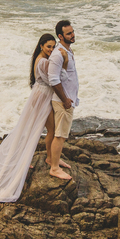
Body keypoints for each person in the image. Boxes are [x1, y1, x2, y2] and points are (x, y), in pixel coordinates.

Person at [0, 34, 59, 204]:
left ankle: (24, 159)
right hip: (42, 97)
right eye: (48, 47)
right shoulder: (44, 61)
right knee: (50, 130)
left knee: (28, 130)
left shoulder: (38, 59)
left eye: (53, 47)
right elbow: (53, 81)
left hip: (38, 95)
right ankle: (50, 160)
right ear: (41, 46)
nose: (51, 50)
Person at [45, 19, 78, 180]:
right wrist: (65, 99)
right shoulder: (58, 54)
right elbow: (53, 80)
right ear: (60, 36)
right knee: (60, 135)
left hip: (67, 98)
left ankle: (52, 159)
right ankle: (55, 168)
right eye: (69, 33)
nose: (73, 35)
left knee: (58, 133)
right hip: (62, 101)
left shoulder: (67, 51)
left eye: (72, 32)